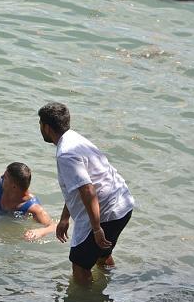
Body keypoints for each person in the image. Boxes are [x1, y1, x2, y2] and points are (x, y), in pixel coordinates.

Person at [38, 102, 135, 285]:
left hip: (106, 213)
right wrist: (65, 218)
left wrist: (97, 229)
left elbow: (87, 189)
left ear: (47, 127)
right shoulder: (75, 139)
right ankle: (113, 285)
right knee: (102, 253)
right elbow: (79, 185)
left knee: (80, 266)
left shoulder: (65, 154)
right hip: (123, 205)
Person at [0, 162, 56, 241]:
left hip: (9, 236)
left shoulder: (34, 208)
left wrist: (40, 231)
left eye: (5, 177)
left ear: (14, 186)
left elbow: (54, 226)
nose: (1, 177)